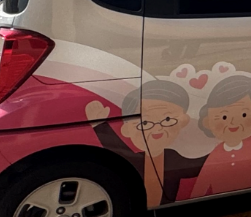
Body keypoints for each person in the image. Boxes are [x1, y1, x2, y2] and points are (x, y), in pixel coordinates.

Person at [85, 80, 207, 209]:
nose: (157, 129)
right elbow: (116, 146)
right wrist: (100, 126)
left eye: (167, 119)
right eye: (145, 123)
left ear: (183, 121)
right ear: (126, 129)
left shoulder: (172, 157)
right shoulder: (134, 159)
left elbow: (199, 166)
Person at [189, 75, 251, 198]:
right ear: (208, 121)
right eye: (224, 117)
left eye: (244, 114)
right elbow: (204, 179)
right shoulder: (217, 152)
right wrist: (195, 196)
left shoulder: (250, 145)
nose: (233, 122)